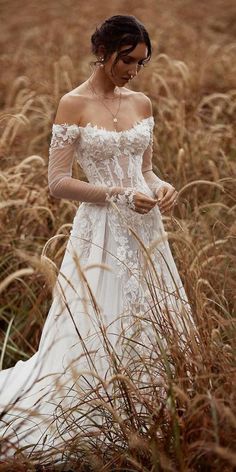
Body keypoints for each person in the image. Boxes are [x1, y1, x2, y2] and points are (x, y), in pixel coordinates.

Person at [0, 15, 193, 462]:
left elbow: (145, 169)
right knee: (99, 318)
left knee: (152, 315)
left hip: (147, 229)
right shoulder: (73, 104)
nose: (133, 71)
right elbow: (57, 182)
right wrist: (117, 194)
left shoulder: (142, 102)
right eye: (127, 60)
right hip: (101, 230)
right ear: (104, 53)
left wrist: (159, 186)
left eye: (141, 63)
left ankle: (152, 406)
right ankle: (97, 401)